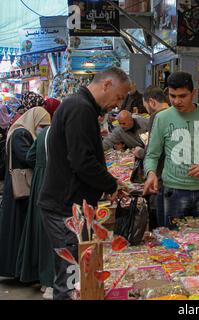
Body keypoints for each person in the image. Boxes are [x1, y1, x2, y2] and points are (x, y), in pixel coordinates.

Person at [38, 67, 131, 300]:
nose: (117, 105)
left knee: (75, 272)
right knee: (71, 277)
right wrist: (111, 186)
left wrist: (107, 184)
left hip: (70, 206)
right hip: (65, 208)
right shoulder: (80, 108)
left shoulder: (81, 106)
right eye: (119, 97)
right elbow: (82, 161)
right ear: (106, 84)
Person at [143, 72, 199, 228]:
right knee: (173, 245)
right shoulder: (162, 118)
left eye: (182, 96)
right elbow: (152, 155)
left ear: (193, 93)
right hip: (173, 192)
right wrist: (151, 173)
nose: (176, 101)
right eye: (172, 96)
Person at [15, 99, 61, 300]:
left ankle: (44, 282)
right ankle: (52, 282)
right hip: (55, 187)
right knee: (54, 235)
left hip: (39, 186)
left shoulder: (42, 135)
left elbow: (31, 156)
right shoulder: (62, 135)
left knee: (41, 233)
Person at [0, 107, 51, 279]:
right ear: (34, 121)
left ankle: (19, 270)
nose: (43, 129)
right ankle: (17, 269)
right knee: (17, 228)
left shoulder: (19, 131)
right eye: (42, 125)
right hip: (19, 187)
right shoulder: (21, 133)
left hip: (17, 186)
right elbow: (27, 157)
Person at [136, 87, 170, 228]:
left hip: (160, 177)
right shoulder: (176, 114)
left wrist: (140, 153)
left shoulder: (157, 116)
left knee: (160, 224)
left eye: (146, 107)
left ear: (151, 102)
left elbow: (153, 151)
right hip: (175, 178)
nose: (147, 111)